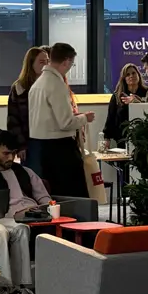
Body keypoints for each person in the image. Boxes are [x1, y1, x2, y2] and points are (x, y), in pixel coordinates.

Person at [0, 131, 52, 288]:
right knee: (21, 229)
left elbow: (44, 198)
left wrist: (47, 208)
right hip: (7, 218)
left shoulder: (25, 172)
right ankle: (24, 285)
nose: (10, 158)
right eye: (6, 154)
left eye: (13, 153)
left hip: (35, 214)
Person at [28, 42, 93, 197]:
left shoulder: (38, 83)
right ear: (66, 62)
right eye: (72, 63)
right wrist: (85, 118)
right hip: (60, 148)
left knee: (51, 195)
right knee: (71, 196)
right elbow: (65, 123)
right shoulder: (57, 84)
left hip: (40, 147)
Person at [6, 47, 49, 159]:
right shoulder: (19, 88)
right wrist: (20, 145)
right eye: (41, 62)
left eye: (47, 61)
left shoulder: (50, 85)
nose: (46, 65)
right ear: (31, 64)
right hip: (29, 141)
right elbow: (13, 119)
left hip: (49, 140)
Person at [104, 63, 148, 149]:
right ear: (124, 79)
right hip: (123, 139)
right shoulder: (117, 96)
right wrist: (107, 138)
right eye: (127, 75)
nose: (131, 76)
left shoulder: (147, 92)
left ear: (138, 75)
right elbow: (110, 118)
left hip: (143, 137)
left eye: (133, 73)